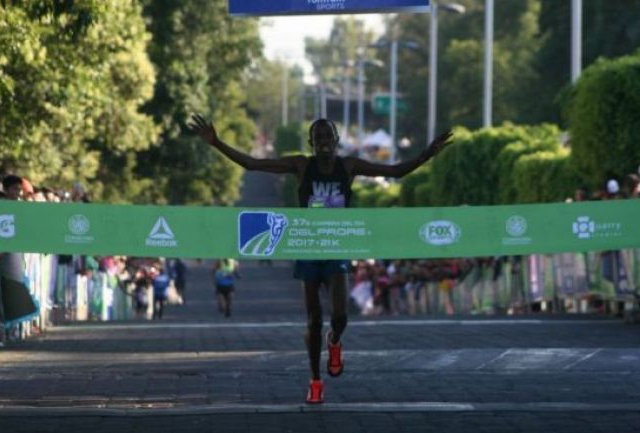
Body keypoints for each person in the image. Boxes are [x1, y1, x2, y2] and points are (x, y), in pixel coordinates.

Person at [189, 114, 453, 404]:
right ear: (311, 144)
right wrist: (216, 143)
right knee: (314, 320)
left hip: (336, 247)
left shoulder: (349, 166)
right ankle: (315, 381)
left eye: (328, 138)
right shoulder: (302, 165)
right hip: (308, 248)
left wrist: (428, 152)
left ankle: (335, 341)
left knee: (339, 316)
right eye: (319, 139)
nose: (324, 143)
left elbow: (396, 171)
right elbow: (253, 164)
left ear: (337, 141)